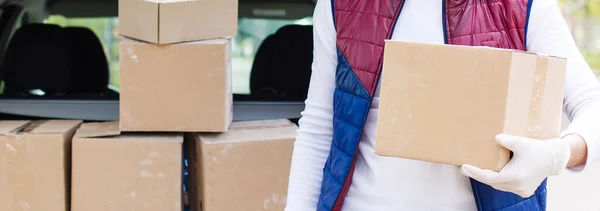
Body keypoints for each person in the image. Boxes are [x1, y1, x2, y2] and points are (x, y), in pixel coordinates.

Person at [284, 0, 600, 211]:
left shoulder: (522, 4)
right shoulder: (341, 5)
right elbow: (318, 127)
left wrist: (556, 156)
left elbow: (591, 104)